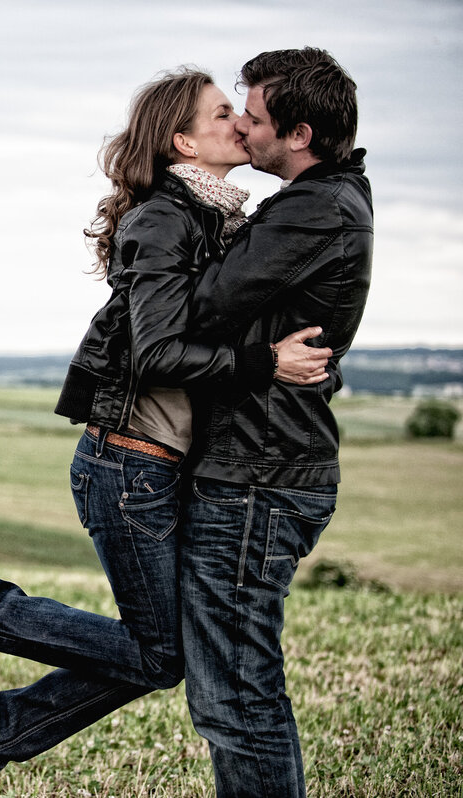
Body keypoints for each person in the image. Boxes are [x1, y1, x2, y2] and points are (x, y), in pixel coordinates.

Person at [0, 68, 328, 798]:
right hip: (130, 463)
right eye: (223, 112)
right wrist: (266, 362)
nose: (240, 123)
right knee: (162, 653)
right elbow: (158, 351)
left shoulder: (213, 218)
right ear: (182, 139)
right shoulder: (165, 220)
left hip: (156, 465)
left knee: (161, 655)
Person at [178, 48, 372, 798]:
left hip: (259, 476)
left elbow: (197, 307)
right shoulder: (325, 201)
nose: (241, 127)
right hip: (265, 468)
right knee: (228, 680)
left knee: (237, 693)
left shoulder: (315, 209)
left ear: (297, 134)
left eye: (252, 118)